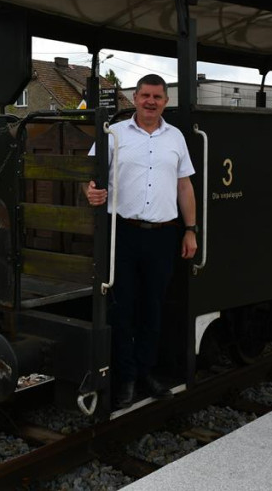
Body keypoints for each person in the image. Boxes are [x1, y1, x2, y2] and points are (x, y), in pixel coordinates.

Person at [84, 74, 198, 408]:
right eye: (145, 95)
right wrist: (90, 192)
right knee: (123, 310)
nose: (151, 101)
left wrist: (191, 229)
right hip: (124, 233)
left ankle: (147, 372)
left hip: (164, 235)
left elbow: (184, 187)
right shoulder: (113, 135)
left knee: (153, 308)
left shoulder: (175, 137)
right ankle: (127, 379)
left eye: (157, 97)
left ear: (165, 101)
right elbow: (90, 179)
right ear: (134, 98)